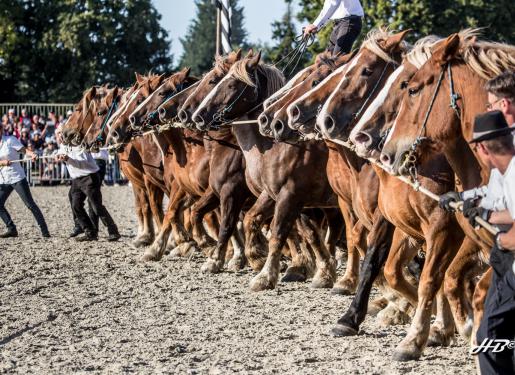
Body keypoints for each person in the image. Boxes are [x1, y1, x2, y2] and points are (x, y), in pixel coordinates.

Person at [443, 112, 515, 375]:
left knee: (489, 338)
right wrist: (470, 204)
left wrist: (500, 235)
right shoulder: (506, 170)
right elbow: (498, 199)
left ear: (481, 147)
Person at [55, 134, 120, 242]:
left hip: (89, 176)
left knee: (96, 207)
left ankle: (113, 230)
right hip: (76, 179)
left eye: (61, 134)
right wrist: (58, 156)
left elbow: (83, 164)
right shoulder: (63, 144)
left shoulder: (80, 144)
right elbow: (60, 151)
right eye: (58, 135)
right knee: (76, 205)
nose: (60, 137)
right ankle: (89, 232)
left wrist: (68, 159)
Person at [0, 125, 50, 238]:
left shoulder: (10, 140)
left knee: (30, 204)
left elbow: (24, 150)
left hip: (17, 177)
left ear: (1, 130)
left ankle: (45, 231)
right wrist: (2, 162)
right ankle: (11, 229)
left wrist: (32, 154)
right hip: (3, 180)